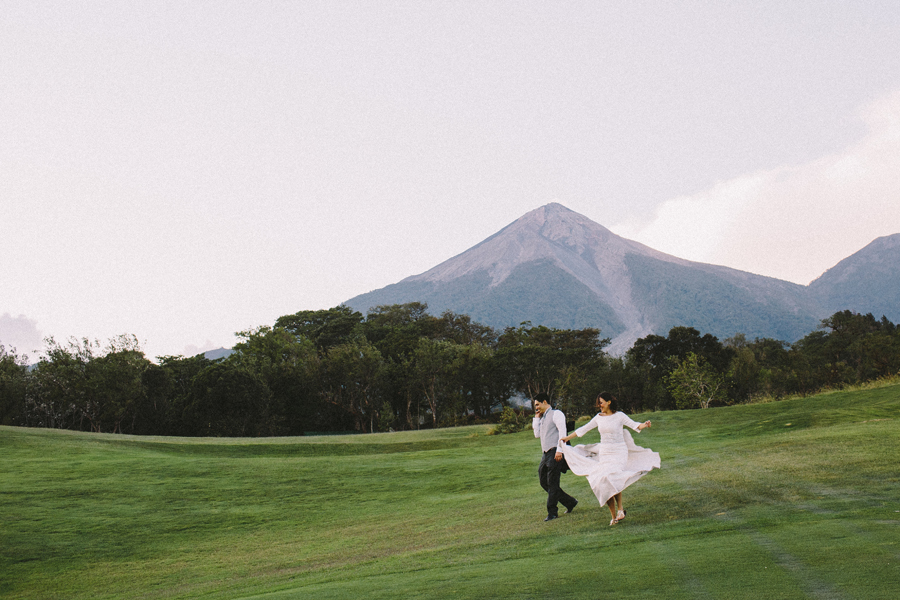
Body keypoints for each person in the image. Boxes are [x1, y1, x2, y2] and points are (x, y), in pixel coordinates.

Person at [560, 392, 660, 526]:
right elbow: (583, 429)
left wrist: (645, 424)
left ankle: (620, 510)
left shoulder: (619, 416)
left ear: (609, 402)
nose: (599, 405)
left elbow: (635, 425)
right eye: (598, 403)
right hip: (605, 452)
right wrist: (567, 438)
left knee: (612, 476)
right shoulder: (598, 418)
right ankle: (615, 516)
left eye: (601, 402)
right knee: (603, 480)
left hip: (619, 452)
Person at [532, 392, 578, 522]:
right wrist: (536, 418)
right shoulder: (542, 417)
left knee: (552, 483)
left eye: (537, 405)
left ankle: (552, 512)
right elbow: (537, 434)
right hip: (546, 453)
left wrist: (559, 450)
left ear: (545, 402)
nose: (536, 407)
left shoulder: (556, 414)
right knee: (543, 481)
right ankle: (570, 502)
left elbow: (562, 432)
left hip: (555, 451)